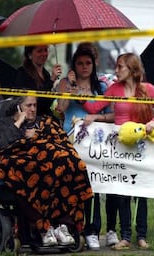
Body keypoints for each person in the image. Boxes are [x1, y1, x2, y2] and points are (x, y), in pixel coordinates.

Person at [82, 53, 154, 250]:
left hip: (142, 146)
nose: (116, 70)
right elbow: (94, 106)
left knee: (142, 192)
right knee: (122, 193)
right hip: (120, 147)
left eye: (120, 67)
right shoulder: (114, 88)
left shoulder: (148, 89)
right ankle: (125, 236)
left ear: (132, 69)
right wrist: (77, 94)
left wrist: (152, 122)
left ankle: (141, 235)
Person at [0, 96, 93, 247]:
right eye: (28, 105)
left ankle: (63, 226)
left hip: (47, 170)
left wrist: (38, 137)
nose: (33, 109)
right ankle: (43, 227)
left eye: (35, 105)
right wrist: (18, 125)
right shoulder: (3, 123)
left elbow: (60, 143)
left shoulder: (44, 122)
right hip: (17, 167)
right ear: (18, 108)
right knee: (27, 171)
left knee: (71, 162)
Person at [55, 47, 110, 250]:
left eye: (88, 63)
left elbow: (109, 112)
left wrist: (92, 110)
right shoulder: (65, 83)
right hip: (70, 140)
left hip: (95, 142)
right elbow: (60, 109)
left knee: (93, 188)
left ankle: (93, 230)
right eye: (80, 63)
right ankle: (72, 228)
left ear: (94, 64)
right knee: (72, 187)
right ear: (74, 66)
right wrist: (69, 86)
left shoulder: (101, 87)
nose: (85, 67)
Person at [14, 45, 62, 116]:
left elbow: (47, 101)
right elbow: (37, 101)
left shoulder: (46, 74)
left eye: (45, 50)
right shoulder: (22, 73)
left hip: (46, 116)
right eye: (39, 51)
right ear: (30, 54)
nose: (44, 54)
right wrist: (52, 80)